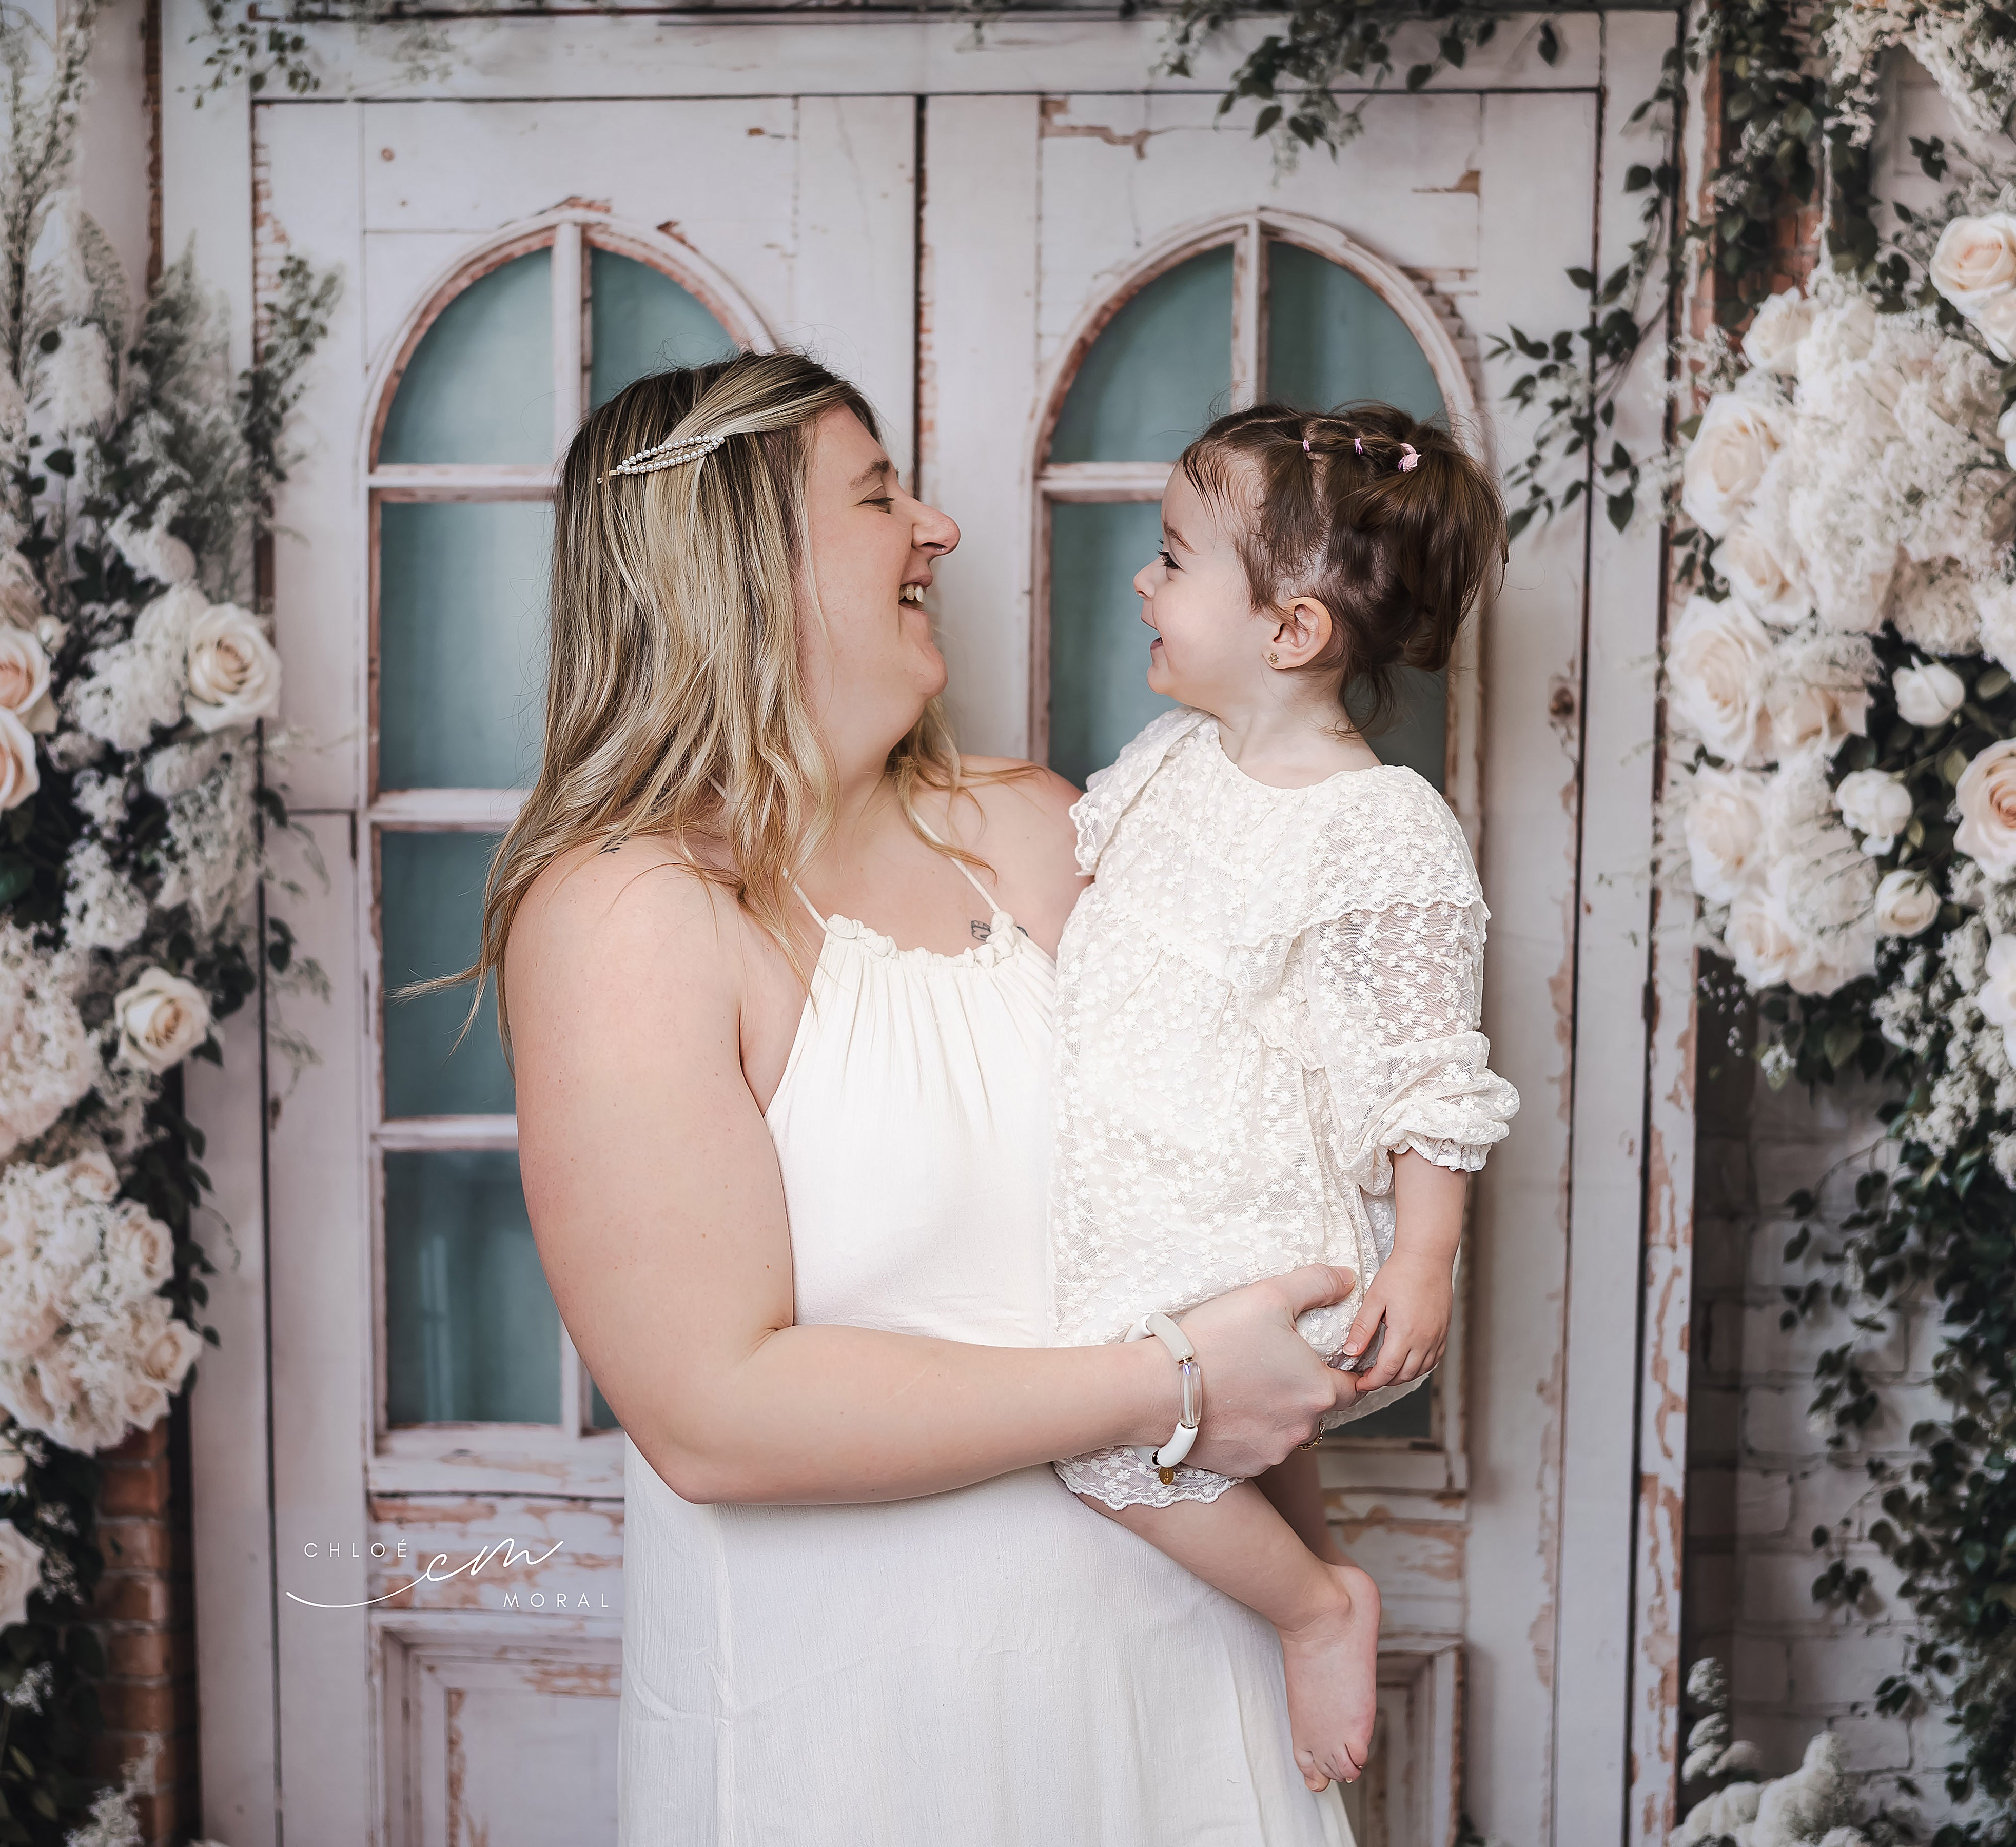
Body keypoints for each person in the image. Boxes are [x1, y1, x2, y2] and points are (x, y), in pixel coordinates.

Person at [475, 350, 1379, 1843]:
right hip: (859, 1744)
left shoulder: (1040, 831)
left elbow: (1231, 1241)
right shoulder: (626, 910)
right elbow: (717, 1412)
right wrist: (1169, 1384)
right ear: (742, 554)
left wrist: (1312, 1631)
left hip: (1191, 1715)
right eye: (880, 494)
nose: (939, 530)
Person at [1042, 402, 1522, 1790]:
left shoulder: (1380, 825)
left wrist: (1425, 1259)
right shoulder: (1175, 763)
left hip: (1253, 1201)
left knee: (1110, 1438)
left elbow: (1432, 1068)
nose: (1144, 581)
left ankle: (1321, 1607)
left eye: (1176, 559)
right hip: (1147, 1170)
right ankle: (1299, 1571)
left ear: (1291, 632)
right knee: (1218, 1443)